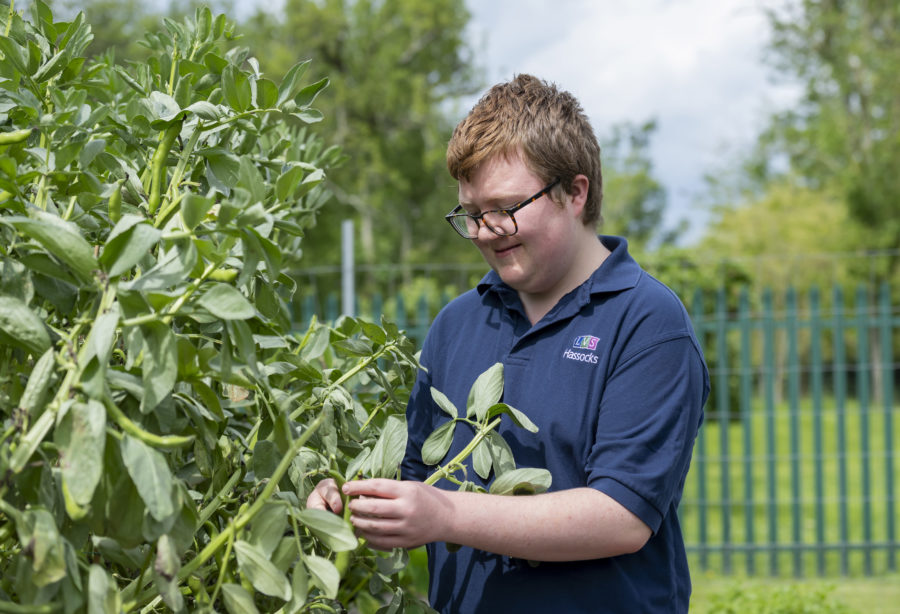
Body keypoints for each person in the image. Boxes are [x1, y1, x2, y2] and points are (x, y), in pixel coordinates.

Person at [307, 74, 709, 613]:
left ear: (575, 192)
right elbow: (420, 475)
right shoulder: (457, 322)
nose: (484, 231)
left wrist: (445, 515)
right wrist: (355, 501)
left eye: (504, 207)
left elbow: (621, 517)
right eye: (470, 214)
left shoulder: (647, 321)